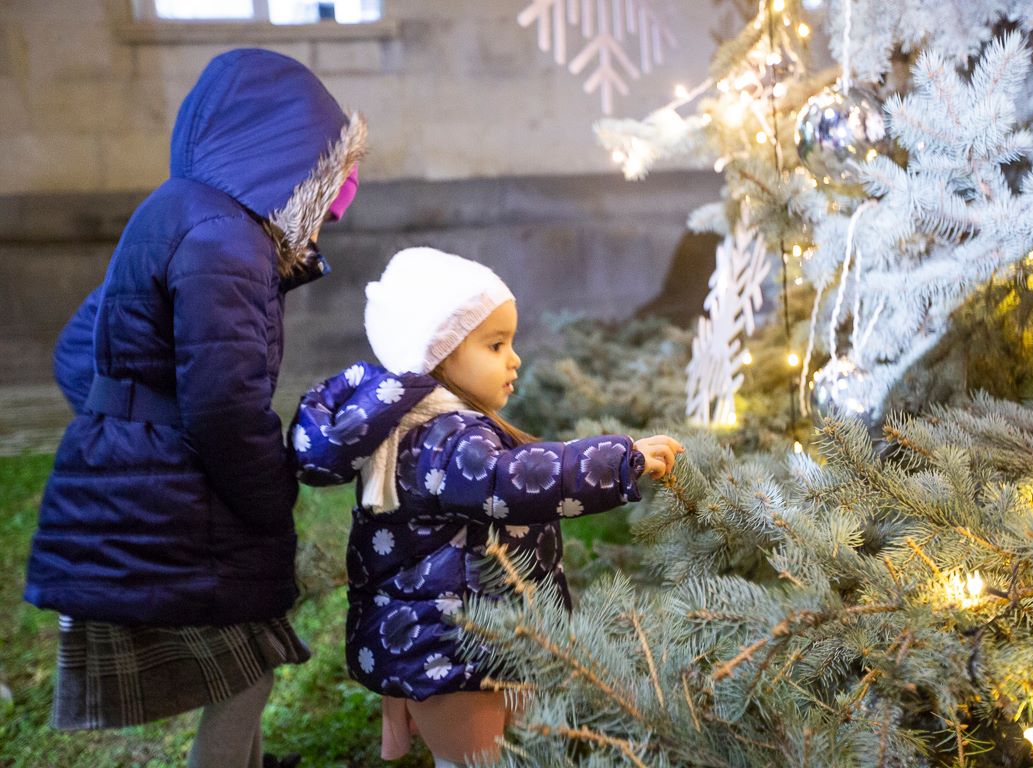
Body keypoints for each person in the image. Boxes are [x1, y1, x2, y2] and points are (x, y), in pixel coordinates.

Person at [23, 48, 366, 768]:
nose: (326, 218)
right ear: (283, 161)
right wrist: (270, 494)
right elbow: (225, 407)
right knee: (245, 670)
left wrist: (127, 423)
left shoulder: (179, 211)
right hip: (178, 506)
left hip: (154, 490)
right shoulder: (225, 240)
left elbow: (80, 350)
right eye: (325, 194)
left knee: (247, 652)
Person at [291, 246, 684, 767]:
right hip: (456, 648)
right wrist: (616, 462)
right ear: (439, 352)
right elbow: (509, 481)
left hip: (473, 638)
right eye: (496, 344)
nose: (513, 358)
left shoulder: (438, 427)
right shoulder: (443, 435)